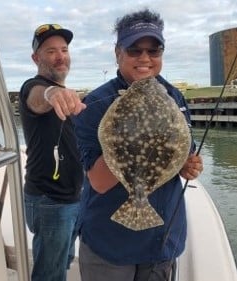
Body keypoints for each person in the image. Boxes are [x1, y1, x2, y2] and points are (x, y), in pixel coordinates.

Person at [73, 8, 203, 281]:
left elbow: (179, 156)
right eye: (134, 50)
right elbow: (98, 181)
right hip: (109, 243)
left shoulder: (174, 96)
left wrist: (188, 166)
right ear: (118, 53)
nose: (145, 58)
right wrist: (128, 134)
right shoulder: (95, 103)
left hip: (162, 238)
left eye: (154, 51)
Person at [19, 23, 86, 281]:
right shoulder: (32, 87)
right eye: (51, 51)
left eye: (64, 49)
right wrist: (53, 93)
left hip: (72, 197)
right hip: (50, 200)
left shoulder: (70, 98)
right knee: (50, 273)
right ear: (36, 58)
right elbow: (39, 97)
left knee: (64, 261)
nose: (60, 56)